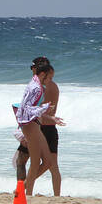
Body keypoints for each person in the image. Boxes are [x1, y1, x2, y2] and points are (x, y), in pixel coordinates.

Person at [15, 57, 65, 196]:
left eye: (34, 68)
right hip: (37, 125)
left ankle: (23, 189)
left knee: (39, 163)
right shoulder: (39, 86)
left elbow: (32, 110)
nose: (33, 71)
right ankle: (26, 191)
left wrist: (45, 111)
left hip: (40, 127)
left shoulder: (41, 87)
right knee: (44, 164)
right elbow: (32, 109)